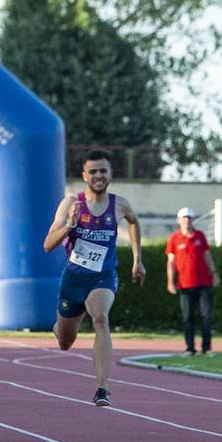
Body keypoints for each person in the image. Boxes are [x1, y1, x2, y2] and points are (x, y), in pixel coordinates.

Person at [43, 150, 145, 407]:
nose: (99, 175)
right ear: (84, 175)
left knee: (101, 318)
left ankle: (102, 388)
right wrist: (70, 224)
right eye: (94, 171)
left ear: (110, 174)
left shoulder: (119, 204)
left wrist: (137, 259)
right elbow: (47, 244)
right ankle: (59, 329)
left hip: (103, 277)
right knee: (66, 341)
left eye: (103, 171)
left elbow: (133, 222)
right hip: (74, 279)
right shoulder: (70, 203)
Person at [166, 206, 220, 356]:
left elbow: (207, 256)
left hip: (204, 282)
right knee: (188, 317)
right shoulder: (174, 239)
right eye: (184, 217)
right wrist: (170, 281)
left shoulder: (200, 236)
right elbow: (170, 262)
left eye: (189, 218)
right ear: (179, 220)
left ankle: (206, 348)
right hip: (185, 284)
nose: (187, 220)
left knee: (206, 316)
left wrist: (214, 273)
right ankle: (190, 348)